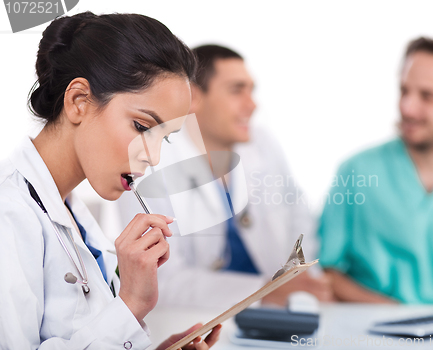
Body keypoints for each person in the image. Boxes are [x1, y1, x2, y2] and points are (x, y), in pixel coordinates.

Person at [0, 12, 221, 349]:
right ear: (79, 101)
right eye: (144, 128)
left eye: (166, 138)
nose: (153, 156)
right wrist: (130, 305)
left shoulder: (73, 213)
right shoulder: (8, 213)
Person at [117, 44, 333, 308]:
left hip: (278, 314)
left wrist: (298, 283)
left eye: (251, 90)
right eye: (236, 90)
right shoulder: (150, 162)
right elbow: (161, 280)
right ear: (193, 97)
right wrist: (263, 292)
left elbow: (300, 219)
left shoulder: (262, 144)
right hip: (195, 323)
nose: (252, 105)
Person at [318, 37, 433, 304]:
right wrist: (396, 317)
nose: (407, 107)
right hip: (375, 335)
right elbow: (326, 270)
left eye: (427, 96)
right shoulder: (356, 171)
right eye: (404, 91)